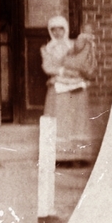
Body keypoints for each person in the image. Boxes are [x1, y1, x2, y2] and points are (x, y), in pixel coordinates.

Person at [41, 15, 95, 160]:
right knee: (61, 119)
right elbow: (47, 67)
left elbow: (80, 61)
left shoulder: (73, 45)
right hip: (59, 82)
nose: (58, 33)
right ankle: (61, 157)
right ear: (50, 31)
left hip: (74, 82)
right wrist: (62, 71)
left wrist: (75, 72)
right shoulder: (47, 48)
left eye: (61, 29)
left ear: (66, 30)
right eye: (54, 30)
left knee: (75, 119)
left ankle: (77, 156)